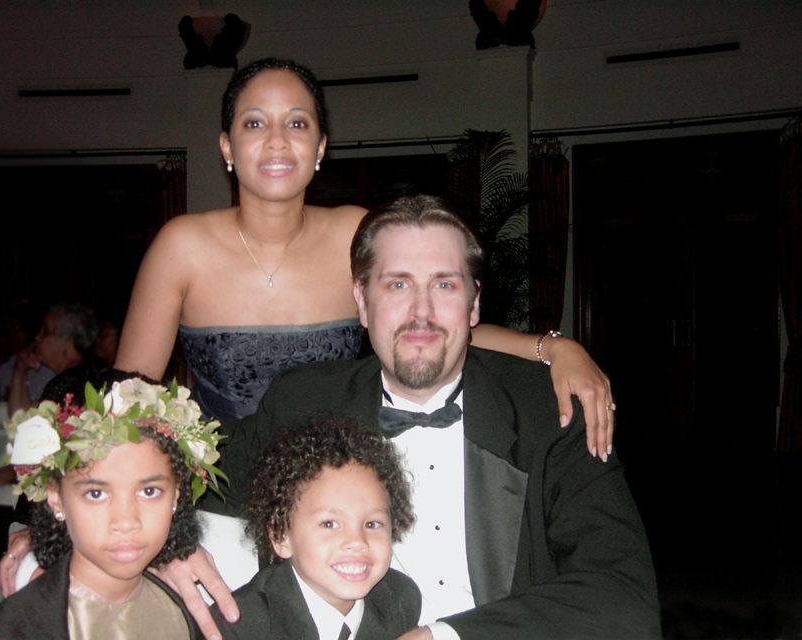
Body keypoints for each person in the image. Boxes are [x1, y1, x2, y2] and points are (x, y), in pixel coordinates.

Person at [171, 196, 660, 640]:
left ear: (474, 304)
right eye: (398, 284)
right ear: (363, 302)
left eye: (444, 285)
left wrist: (445, 638)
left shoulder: (550, 410)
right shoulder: (303, 403)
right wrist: (165, 543)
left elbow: (623, 593)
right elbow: (181, 465)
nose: (421, 312)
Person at [116, 58, 614, 456]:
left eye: (296, 122)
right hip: (217, 486)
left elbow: (433, 322)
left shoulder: (353, 232)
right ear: (227, 146)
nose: (276, 141)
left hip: (335, 482)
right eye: (254, 123)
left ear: (320, 146)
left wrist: (552, 348)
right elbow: (126, 403)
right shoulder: (181, 246)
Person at [0, 375, 222, 640]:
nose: (126, 522)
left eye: (149, 492)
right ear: (56, 499)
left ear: (176, 495)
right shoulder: (17, 629)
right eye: (96, 494)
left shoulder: (178, 611)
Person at [212, 417, 421, 640]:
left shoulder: (399, 599)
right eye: (329, 524)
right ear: (281, 536)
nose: (357, 541)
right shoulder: (237, 628)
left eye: (372, 524)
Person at [6, 301, 98, 416]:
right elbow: (20, 420)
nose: (37, 337)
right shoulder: (76, 376)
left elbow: (23, 425)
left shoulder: (70, 384)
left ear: (67, 339)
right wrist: (19, 372)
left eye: (45, 331)